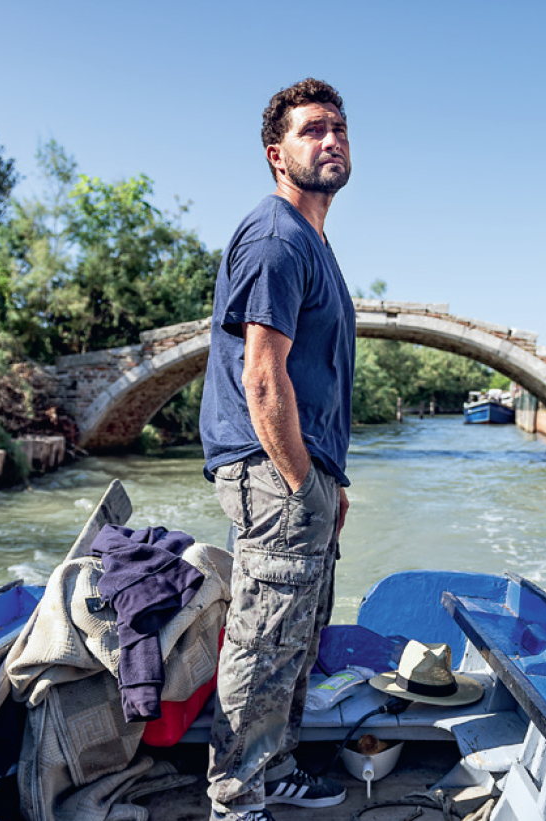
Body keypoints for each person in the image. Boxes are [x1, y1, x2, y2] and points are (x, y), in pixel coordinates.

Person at [198, 78, 356, 821]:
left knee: (296, 632)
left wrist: (330, 478)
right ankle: (236, 801)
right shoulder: (277, 237)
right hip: (271, 471)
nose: (331, 140)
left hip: (303, 472)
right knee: (263, 638)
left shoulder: (314, 242)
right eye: (313, 130)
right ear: (277, 153)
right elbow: (262, 377)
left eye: (339, 129)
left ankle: (275, 769)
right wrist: (299, 480)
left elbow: (312, 378)